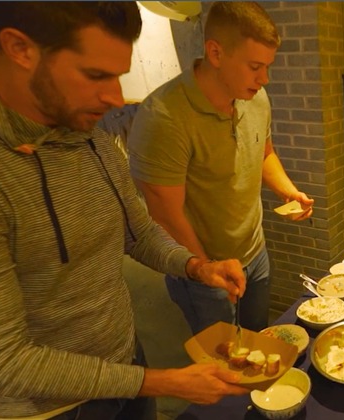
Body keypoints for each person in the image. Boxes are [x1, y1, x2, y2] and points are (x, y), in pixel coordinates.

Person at [0, 2, 249, 419]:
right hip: (44, 410)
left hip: (124, 365)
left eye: (118, 75)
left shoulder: (89, 136)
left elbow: (137, 231)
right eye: (95, 75)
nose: (115, 97)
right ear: (19, 47)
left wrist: (196, 266)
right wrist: (162, 381)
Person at [128, 1, 314, 335]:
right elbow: (165, 216)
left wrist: (289, 191)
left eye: (268, 66)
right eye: (255, 66)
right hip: (204, 265)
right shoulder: (164, 117)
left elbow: (263, 153)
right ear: (215, 53)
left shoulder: (255, 97)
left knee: (257, 337)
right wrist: (207, 271)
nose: (265, 78)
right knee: (224, 359)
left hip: (255, 252)